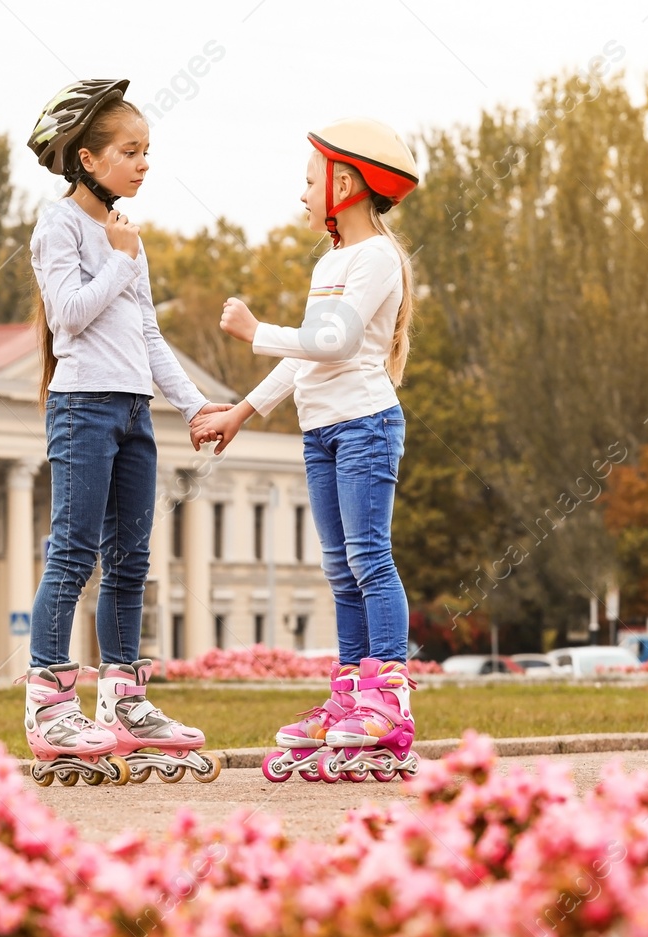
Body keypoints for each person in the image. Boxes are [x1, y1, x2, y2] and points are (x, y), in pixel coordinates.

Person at [193, 118, 421, 784]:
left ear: (343, 184)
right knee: (338, 568)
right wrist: (241, 411)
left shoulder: (376, 257)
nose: (301, 194)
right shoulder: (329, 262)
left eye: (308, 180)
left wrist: (254, 329)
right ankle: (352, 697)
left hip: (365, 424)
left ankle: (390, 699)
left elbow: (336, 341)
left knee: (369, 556)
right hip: (321, 430)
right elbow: (306, 360)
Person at [19, 78, 228, 788]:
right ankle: (49, 700)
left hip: (135, 410)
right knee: (74, 552)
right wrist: (117, 255)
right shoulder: (61, 227)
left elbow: (147, 335)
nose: (142, 165)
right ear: (86, 158)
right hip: (82, 407)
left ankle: (123, 699)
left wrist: (195, 406)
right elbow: (70, 314)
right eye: (129, 152)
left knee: (132, 559)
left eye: (146, 151)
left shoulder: (125, 238)